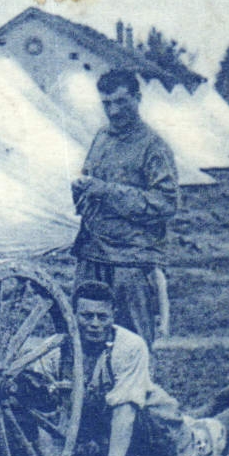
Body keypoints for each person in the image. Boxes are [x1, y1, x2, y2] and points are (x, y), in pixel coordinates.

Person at [50, 282, 229, 456]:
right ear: (73, 314)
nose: (94, 324)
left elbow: (125, 413)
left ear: (114, 315)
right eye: (87, 316)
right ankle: (213, 404)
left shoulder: (128, 346)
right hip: (104, 424)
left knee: (198, 441)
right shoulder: (55, 350)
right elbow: (43, 409)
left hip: (153, 421)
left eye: (102, 317)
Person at [72, 69, 178, 348]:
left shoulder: (153, 146)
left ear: (137, 99)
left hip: (131, 262)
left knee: (132, 345)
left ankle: (135, 392)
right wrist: (82, 190)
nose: (114, 111)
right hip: (93, 255)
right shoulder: (101, 138)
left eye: (122, 102)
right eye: (107, 103)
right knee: (84, 342)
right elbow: (90, 179)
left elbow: (166, 203)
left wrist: (107, 191)